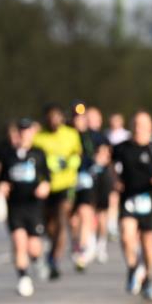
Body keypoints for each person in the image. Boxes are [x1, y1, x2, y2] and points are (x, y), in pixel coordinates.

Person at [112, 111, 152, 302]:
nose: (139, 129)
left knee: (147, 244)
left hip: (149, 198)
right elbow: (111, 166)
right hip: (128, 197)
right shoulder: (121, 148)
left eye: (143, 125)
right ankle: (133, 268)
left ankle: (149, 279)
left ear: (150, 128)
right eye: (136, 125)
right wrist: (115, 181)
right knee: (126, 235)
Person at [0, 118, 51, 296]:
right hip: (15, 206)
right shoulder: (8, 155)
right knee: (19, 243)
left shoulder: (38, 153)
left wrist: (45, 186)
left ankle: (38, 259)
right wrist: (2, 186)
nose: (23, 135)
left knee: (33, 246)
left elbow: (47, 178)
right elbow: (2, 178)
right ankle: (23, 278)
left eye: (27, 131)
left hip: (33, 206)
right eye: (20, 131)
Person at [32, 103, 83, 280]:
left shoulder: (71, 134)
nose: (53, 120)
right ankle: (53, 248)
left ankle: (54, 259)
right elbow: (34, 159)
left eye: (56, 116)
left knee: (62, 218)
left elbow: (78, 154)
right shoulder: (38, 138)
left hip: (66, 184)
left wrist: (71, 162)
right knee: (50, 225)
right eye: (50, 117)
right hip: (46, 187)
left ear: (61, 118)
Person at [70, 103, 111, 271]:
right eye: (77, 117)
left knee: (87, 212)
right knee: (73, 220)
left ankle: (87, 247)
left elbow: (106, 154)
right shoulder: (67, 135)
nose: (80, 120)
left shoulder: (94, 136)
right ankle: (80, 244)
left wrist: (99, 159)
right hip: (69, 181)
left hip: (89, 179)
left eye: (82, 117)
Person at [86, 106, 114, 263]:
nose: (91, 121)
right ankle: (89, 243)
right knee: (89, 211)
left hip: (103, 178)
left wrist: (101, 158)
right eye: (88, 118)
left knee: (102, 213)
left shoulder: (103, 137)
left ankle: (101, 244)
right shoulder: (83, 136)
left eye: (94, 118)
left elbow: (108, 155)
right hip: (89, 178)